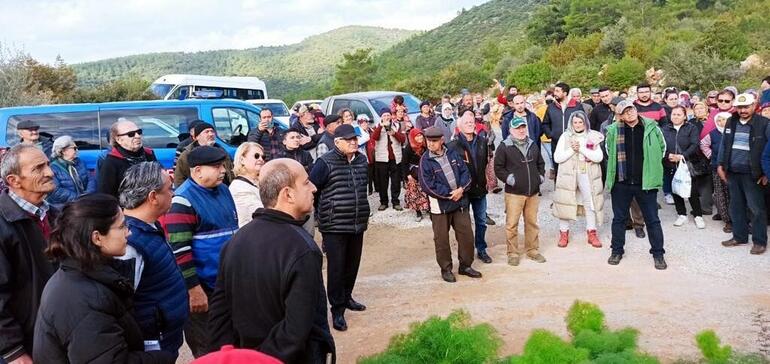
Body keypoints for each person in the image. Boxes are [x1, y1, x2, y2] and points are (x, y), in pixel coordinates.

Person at [209, 159, 335, 363]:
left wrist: (234, 358)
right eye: (306, 182)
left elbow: (219, 317)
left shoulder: (235, 241)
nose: (313, 188)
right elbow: (296, 329)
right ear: (288, 194)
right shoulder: (302, 249)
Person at [33, 194, 176, 363]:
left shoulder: (84, 274)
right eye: (122, 226)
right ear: (97, 237)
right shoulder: (84, 299)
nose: (129, 233)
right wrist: (163, 358)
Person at [165, 146, 239, 357]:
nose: (223, 170)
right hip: (204, 289)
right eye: (216, 166)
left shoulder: (224, 190)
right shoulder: (182, 200)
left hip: (227, 285)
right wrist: (194, 290)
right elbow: (179, 251)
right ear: (197, 171)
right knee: (209, 347)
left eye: (223, 164)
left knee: (231, 344)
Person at [117, 162, 188, 357]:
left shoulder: (149, 228)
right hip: (151, 344)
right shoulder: (130, 244)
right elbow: (121, 304)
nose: (173, 193)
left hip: (165, 337)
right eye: (169, 189)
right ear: (153, 197)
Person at [309, 124, 371, 332]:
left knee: (352, 265)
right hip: (334, 225)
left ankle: (347, 298)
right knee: (336, 268)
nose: (354, 142)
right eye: (349, 139)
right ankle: (337, 310)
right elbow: (312, 190)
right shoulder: (324, 162)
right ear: (337, 142)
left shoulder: (362, 160)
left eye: (355, 138)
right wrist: (321, 215)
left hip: (357, 222)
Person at [0, 145, 57, 364]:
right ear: (14, 181)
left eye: (48, 165)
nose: (49, 172)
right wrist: (13, 351)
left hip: (51, 337)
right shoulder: (3, 224)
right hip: (23, 346)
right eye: (38, 168)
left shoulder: (54, 214)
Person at [604, 100, 668, 269]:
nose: (629, 113)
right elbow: (609, 152)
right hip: (621, 183)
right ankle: (616, 251)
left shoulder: (652, 128)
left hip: (645, 183)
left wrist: (651, 169)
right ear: (620, 116)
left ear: (635, 109)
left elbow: (662, 149)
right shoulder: (612, 131)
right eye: (624, 112)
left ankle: (658, 254)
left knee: (653, 220)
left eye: (631, 109)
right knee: (619, 219)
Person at [419, 126, 481, 282]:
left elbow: (465, 174)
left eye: (434, 141)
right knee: (441, 240)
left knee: (466, 235)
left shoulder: (453, 153)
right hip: (440, 208)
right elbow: (428, 185)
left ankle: (465, 266)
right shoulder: (425, 161)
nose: (431, 144)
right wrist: (450, 194)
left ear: (442, 140)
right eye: (428, 141)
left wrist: (461, 190)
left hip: (460, 202)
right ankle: (446, 269)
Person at [494, 117, 546, 266]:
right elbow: (498, 168)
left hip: (533, 192)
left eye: (523, 127)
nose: (521, 130)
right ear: (511, 130)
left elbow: (540, 163)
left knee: (532, 222)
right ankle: (512, 253)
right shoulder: (504, 146)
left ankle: (532, 250)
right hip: (514, 193)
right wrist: (510, 179)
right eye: (518, 128)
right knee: (512, 224)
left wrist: (540, 177)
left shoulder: (532, 144)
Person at [722, 93, 769, 255]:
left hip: (753, 174)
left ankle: (759, 241)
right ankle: (739, 237)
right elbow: (724, 144)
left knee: (756, 209)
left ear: (754, 105)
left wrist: (766, 173)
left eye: (746, 106)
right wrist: (721, 165)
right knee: (736, 207)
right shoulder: (731, 121)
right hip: (733, 172)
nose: (742, 110)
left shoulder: (764, 123)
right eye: (740, 107)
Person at [552, 111, 605, 248]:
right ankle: (564, 234)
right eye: (575, 122)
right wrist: (572, 150)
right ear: (571, 123)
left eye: (580, 122)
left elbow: (598, 157)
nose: (577, 125)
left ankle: (591, 233)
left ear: (585, 122)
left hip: (587, 174)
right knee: (566, 202)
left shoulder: (592, 136)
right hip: (569, 175)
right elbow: (557, 158)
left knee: (590, 203)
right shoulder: (565, 136)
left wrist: (581, 148)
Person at [449, 109, 492, 264]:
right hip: (464, 192)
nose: (469, 125)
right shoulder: (453, 146)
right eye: (466, 122)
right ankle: (466, 252)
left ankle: (481, 249)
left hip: (480, 189)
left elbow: (486, 163)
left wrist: (487, 180)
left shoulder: (482, 141)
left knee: (481, 221)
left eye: (472, 122)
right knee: (464, 226)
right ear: (459, 126)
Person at [662, 106, 705, 228]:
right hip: (670, 163)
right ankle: (681, 214)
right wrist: (667, 156)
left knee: (692, 190)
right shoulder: (665, 129)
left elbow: (695, 144)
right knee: (675, 189)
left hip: (687, 163)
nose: (675, 116)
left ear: (685, 116)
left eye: (679, 114)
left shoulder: (691, 128)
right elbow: (661, 145)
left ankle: (698, 215)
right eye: (674, 114)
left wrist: (682, 156)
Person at [97, 118, 157, 197]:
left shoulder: (149, 154)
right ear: (118, 139)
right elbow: (106, 196)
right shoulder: (111, 162)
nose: (137, 136)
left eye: (139, 132)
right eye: (131, 134)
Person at [175, 122, 235, 187]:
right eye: (206, 132)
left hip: (222, 191)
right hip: (199, 193)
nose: (211, 134)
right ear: (197, 137)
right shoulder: (187, 154)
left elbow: (231, 172)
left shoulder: (222, 152)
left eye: (212, 131)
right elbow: (179, 178)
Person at [701, 112, 732, 233]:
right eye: (719, 120)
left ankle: (735, 217)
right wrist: (711, 156)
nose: (721, 122)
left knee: (732, 194)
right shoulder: (713, 133)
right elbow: (703, 144)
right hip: (716, 168)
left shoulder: (734, 132)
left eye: (724, 119)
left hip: (732, 168)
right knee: (720, 194)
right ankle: (727, 220)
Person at [542, 82, 581, 176]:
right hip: (556, 143)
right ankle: (558, 189)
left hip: (573, 144)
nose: (555, 93)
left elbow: (583, 123)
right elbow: (545, 123)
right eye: (555, 91)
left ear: (565, 93)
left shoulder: (577, 106)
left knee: (573, 170)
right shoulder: (551, 107)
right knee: (558, 170)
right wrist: (551, 134)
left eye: (557, 91)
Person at [47, 135, 96, 209]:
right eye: (74, 148)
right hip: (65, 207)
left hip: (84, 202)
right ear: (63, 151)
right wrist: (78, 198)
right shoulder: (53, 168)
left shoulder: (80, 162)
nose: (77, 150)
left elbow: (91, 179)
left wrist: (87, 194)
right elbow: (56, 191)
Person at [370, 109, 406, 211]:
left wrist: (394, 133)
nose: (386, 117)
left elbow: (403, 139)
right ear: (381, 117)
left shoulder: (396, 125)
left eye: (388, 115)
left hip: (395, 157)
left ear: (391, 116)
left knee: (395, 181)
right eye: (384, 115)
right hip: (381, 158)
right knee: (382, 182)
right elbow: (374, 138)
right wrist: (381, 126)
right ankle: (383, 202)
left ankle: (395, 202)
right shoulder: (377, 126)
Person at [229, 142, 266, 228]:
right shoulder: (239, 188)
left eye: (263, 157)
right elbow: (259, 215)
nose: (261, 159)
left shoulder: (259, 182)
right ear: (242, 160)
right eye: (256, 156)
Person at [403, 128, 430, 222]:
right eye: (417, 136)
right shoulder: (409, 147)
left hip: (425, 170)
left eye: (421, 135)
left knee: (427, 191)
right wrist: (408, 175)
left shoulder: (425, 145)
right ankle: (418, 211)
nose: (420, 137)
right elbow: (404, 163)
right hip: (413, 172)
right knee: (415, 193)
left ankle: (427, 208)